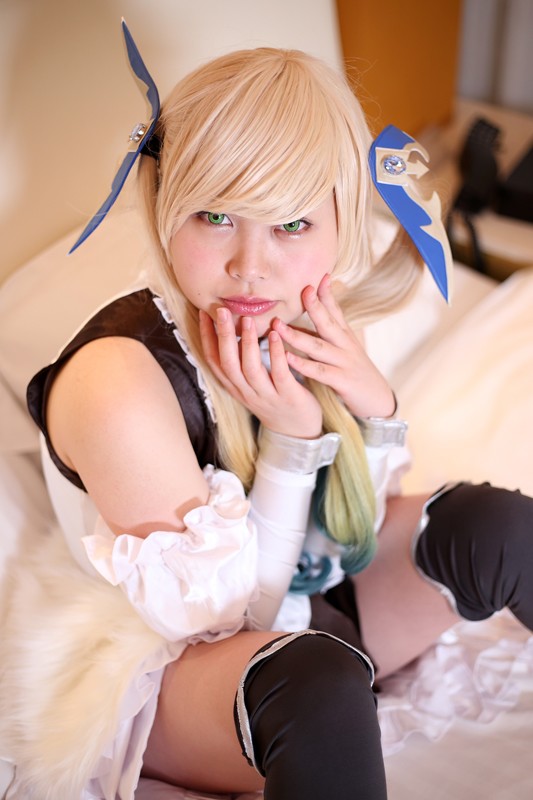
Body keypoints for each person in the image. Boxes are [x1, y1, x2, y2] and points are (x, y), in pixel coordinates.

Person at [12, 24, 533, 800]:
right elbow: (234, 619)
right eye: (215, 216)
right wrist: (292, 439)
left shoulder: (293, 314)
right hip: (170, 665)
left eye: (291, 224)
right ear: (164, 204)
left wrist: (373, 406)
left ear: (338, 225)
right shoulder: (116, 381)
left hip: (303, 596)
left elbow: (355, 530)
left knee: (500, 527)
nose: (250, 267)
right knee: (318, 684)